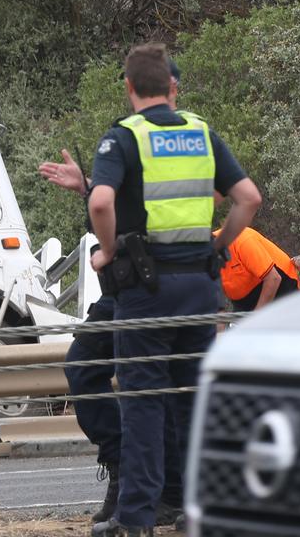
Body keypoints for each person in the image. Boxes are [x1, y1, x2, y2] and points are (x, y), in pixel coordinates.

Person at [85, 45, 261, 537]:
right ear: (171, 86)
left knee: (144, 402)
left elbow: (101, 202)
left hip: (147, 288)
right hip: (201, 287)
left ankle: (136, 519)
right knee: (192, 400)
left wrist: (109, 251)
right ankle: (197, 510)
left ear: (129, 87)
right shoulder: (202, 132)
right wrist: (219, 245)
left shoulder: (125, 138)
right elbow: (248, 198)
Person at [38, 61, 186, 527]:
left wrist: (107, 245)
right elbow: (114, 207)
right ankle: (123, 468)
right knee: (84, 366)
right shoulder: (127, 138)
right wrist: (85, 187)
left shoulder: (174, 141)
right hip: (121, 290)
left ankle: (171, 494)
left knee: (159, 388)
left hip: (153, 287)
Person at [217, 227, 300, 312]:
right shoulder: (205, 260)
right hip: (243, 300)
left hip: (280, 285)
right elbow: (217, 307)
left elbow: (274, 279)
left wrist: (256, 318)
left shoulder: (241, 240)